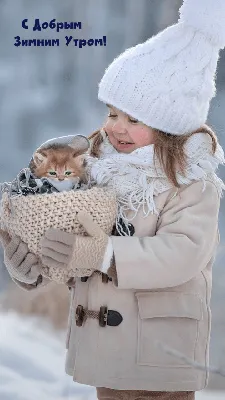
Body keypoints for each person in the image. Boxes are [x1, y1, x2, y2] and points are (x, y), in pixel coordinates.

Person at [1, 0, 225, 399]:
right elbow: (72, 248)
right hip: (107, 353)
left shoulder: (192, 181)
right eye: (112, 113)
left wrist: (104, 254)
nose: (116, 128)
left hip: (160, 353)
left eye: (134, 119)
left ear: (170, 126)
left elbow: (182, 253)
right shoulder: (97, 170)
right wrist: (33, 263)